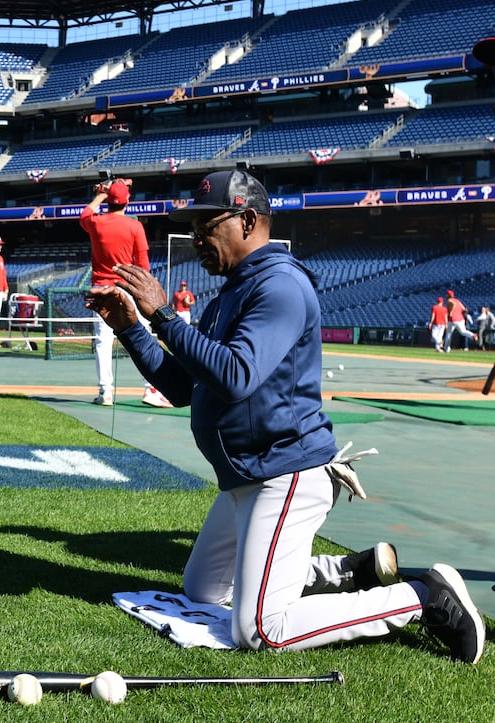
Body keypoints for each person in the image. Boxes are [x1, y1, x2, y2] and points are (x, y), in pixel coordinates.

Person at [85, 169, 483, 662]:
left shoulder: (280, 286)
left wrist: (164, 316)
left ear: (247, 219)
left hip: (285, 472)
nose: (196, 238)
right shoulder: (232, 290)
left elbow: (235, 376)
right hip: (247, 475)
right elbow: (183, 388)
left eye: (207, 224)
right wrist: (131, 328)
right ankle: (345, 573)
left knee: (261, 629)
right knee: (202, 592)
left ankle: (421, 599)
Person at [79, 178, 169, 407]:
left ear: (109, 201)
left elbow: (84, 216)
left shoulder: (97, 223)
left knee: (103, 341)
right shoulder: (134, 226)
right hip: (126, 286)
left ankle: (105, 393)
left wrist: (101, 193)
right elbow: (144, 264)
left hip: (100, 288)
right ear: (127, 201)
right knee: (142, 337)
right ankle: (150, 390)